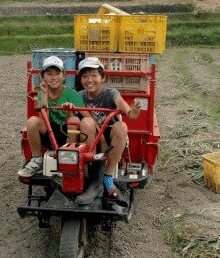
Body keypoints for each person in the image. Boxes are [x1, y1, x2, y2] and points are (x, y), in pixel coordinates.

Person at [76, 57, 141, 205]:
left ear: (103, 78)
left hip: (110, 137)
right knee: (86, 122)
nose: (89, 80)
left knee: (121, 126)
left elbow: (126, 109)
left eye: (94, 75)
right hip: (91, 138)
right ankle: (94, 179)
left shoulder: (111, 93)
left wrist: (132, 112)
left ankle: (107, 178)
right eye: (85, 76)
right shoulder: (79, 96)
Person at [18, 56, 85, 178]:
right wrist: (44, 95)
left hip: (69, 135)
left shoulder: (72, 94)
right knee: (32, 121)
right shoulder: (41, 94)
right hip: (50, 134)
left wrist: (69, 111)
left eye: (57, 73)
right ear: (42, 77)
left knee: (74, 120)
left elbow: (84, 117)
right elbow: (44, 120)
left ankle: (67, 159)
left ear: (63, 76)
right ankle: (37, 161)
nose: (54, 77)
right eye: (49, 74)